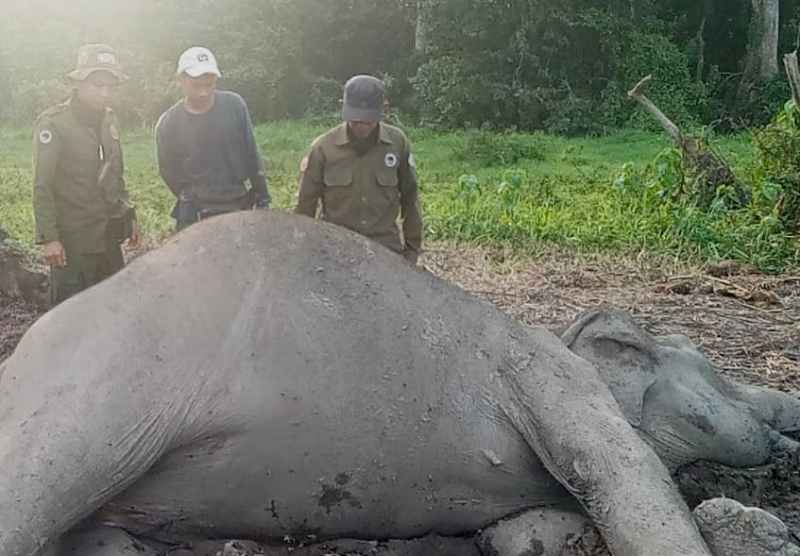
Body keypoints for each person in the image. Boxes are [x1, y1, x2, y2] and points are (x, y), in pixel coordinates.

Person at [33, 43, 138, 306]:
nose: (105, 92)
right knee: (68, 314)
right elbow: (42, 185)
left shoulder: (109, 119)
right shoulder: (54, 124)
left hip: (108, 236)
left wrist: (129, 215)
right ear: (78, 82)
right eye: (97, 84)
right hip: (73, 241)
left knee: (113, 307)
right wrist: (50, 238)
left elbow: (116, 173)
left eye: (110, 86)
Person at [295, 75, 422, 263]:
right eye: (355, 119)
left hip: (385, 251)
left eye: (368, 120)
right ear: (343, 108)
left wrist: (412, 251)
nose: (361, 125)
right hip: (336, 251)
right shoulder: (323, 148)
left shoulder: (397, 143)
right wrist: (303, 251)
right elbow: (305, 205)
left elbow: (410, 199)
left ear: (383, 110)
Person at [155, 46, 270, 231]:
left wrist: (263, 198)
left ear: (216, 80)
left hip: (236, 201)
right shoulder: (169, 123)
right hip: (195, 210)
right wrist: (189, 195)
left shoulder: (234, 106)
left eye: (209, 85)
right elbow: (168, 170)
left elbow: (251, 154)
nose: (203, 92)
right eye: (196, 86)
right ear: (181, 80)